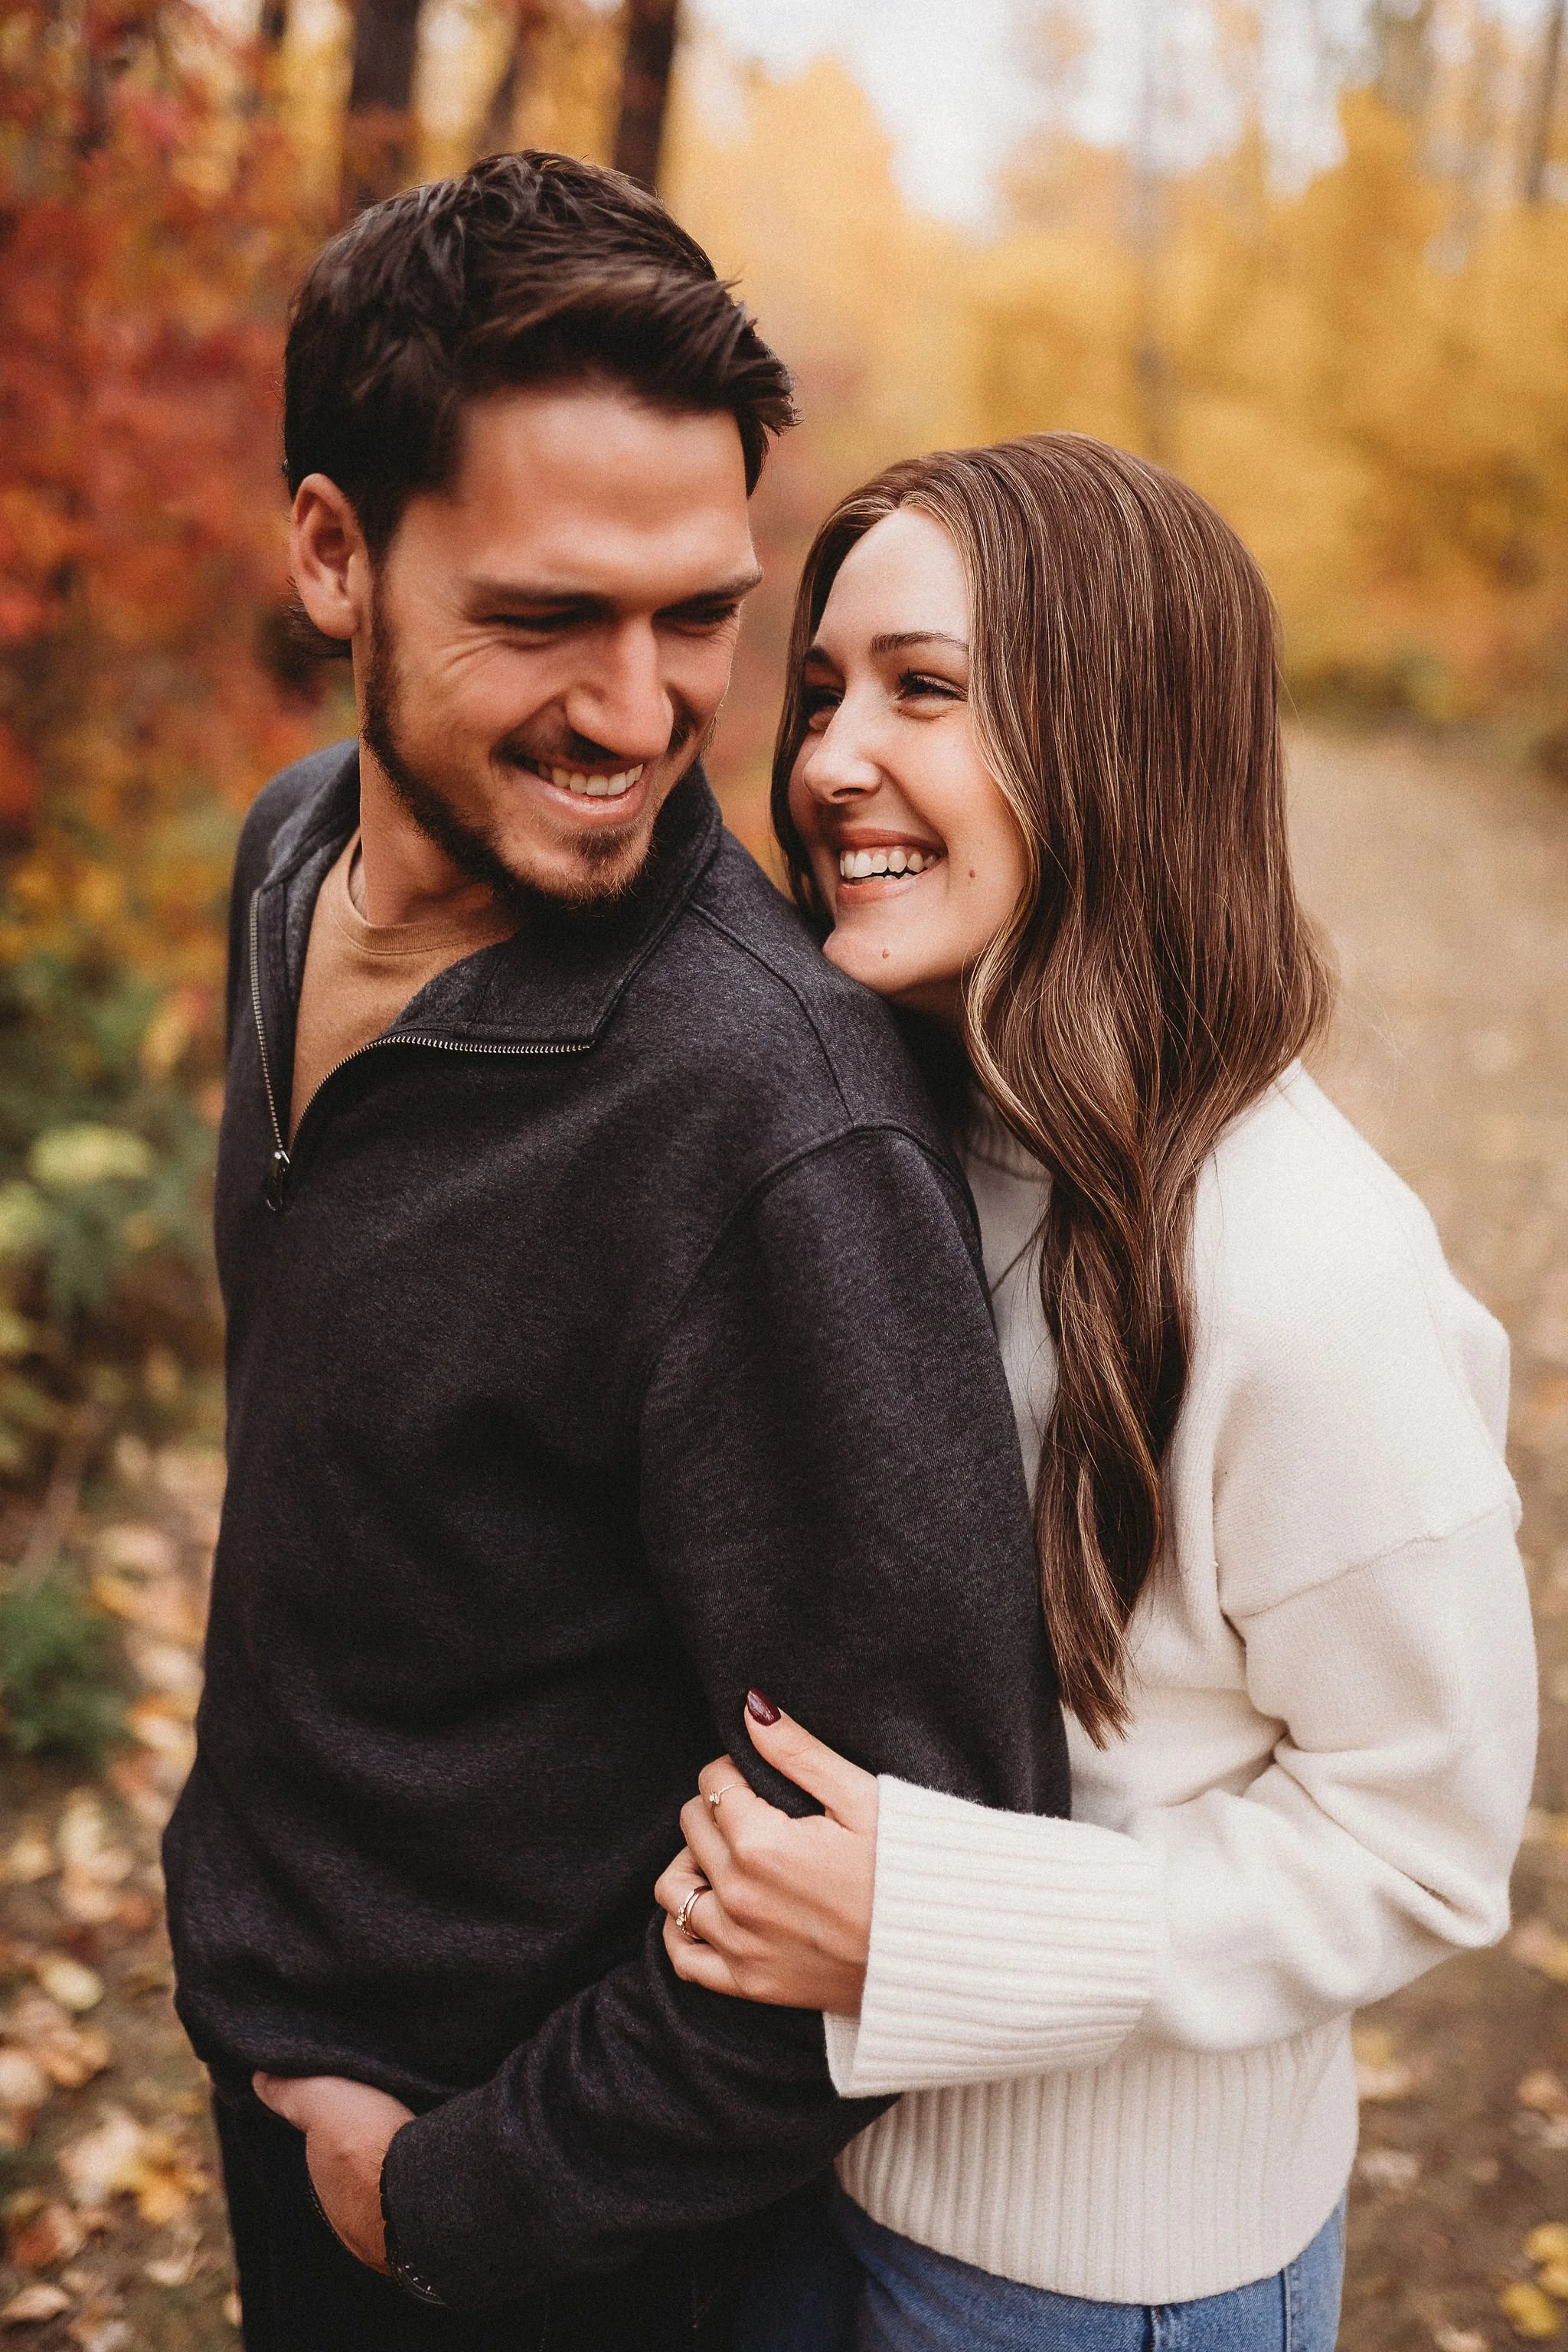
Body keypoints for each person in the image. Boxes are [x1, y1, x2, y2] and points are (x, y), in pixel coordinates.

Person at [162, 158, 1072, 2351]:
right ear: (330, 554)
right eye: (549, 617)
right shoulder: (294, 857)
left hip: (542, 2232)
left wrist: (467, 2200)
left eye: (700, 615)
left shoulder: (767, 1114)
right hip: (280, 2050)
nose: (645, 714)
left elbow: (931, 1847)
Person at [656, 435, 1537, 2352]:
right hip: (795, 2178)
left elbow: (1423, 1836)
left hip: (1089, 2284)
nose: (822, 765)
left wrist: (936, 1931)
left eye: (925, 691)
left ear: (1121, 741)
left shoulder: (1310, 1274)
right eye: (818, 692)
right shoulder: (891, 1138)